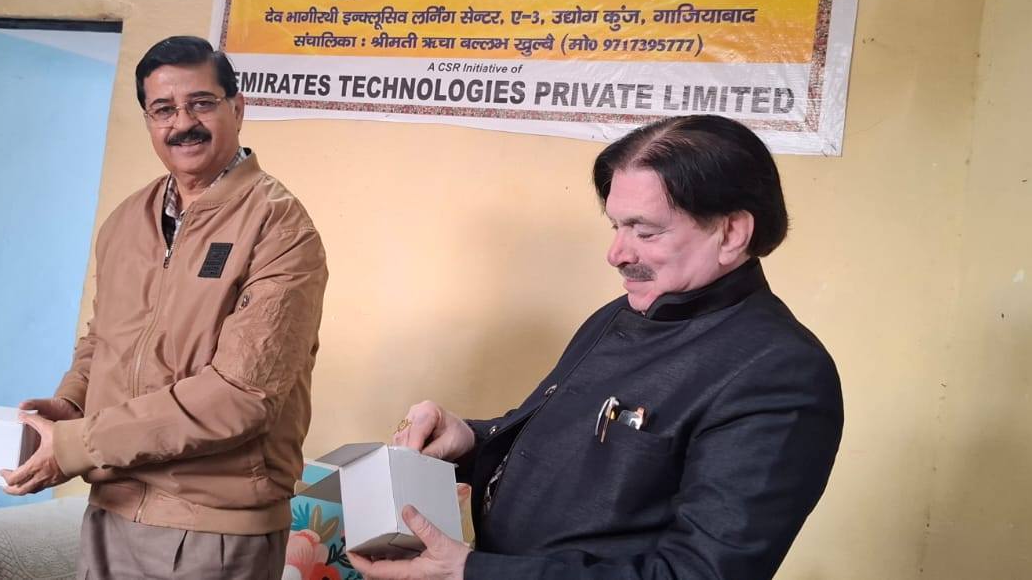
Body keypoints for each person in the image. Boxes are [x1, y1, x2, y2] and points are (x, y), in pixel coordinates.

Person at [356, 115, 844, 580]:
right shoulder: (623, 312)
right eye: (616, 226)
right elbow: (568, 449)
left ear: (732, 232)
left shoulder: (780, 372)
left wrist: (471, 571)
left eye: (644, 231)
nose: (617, 254)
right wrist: (472, 439)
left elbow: (699, 573)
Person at [5, 36, 329, 580]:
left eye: (201, 103)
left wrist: (78, 444)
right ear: (149, 121)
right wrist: (71, 403)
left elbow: (241, 397)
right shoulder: (128, 219)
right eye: (163, 109)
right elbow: (104, 340)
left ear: (237, 107)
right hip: (111, 508)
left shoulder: (280, 228)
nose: (183, 123)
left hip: (214, 529)